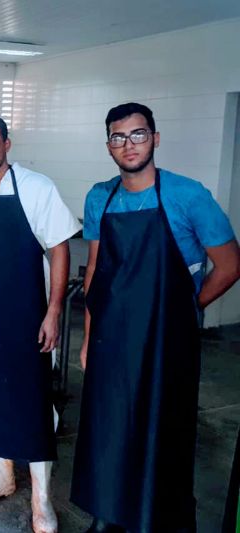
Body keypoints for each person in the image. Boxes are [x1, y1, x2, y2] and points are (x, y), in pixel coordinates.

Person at [72, 102, 240, 533]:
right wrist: (90, 337)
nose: (129, 145)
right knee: (108, 423)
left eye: (138, 134)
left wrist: (188, 308)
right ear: (109, 145)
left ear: (155, 139)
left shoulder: (188, 196)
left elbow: (230, 265)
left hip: (168, 337)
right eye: (118, 137)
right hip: (112, 334)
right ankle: (107, 512)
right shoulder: (100, 196)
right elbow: (95, 272)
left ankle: (155, 517)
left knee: (161, 426)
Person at [0, 115, 81, 533]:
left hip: (29, 314)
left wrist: (54, 311)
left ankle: (42, 498)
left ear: (7, 143)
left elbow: (60, 249)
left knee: (32, 401)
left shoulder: (36, 187)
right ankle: (1, 477)